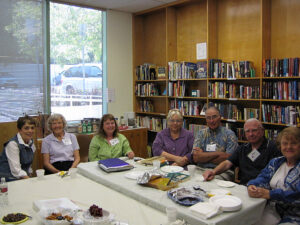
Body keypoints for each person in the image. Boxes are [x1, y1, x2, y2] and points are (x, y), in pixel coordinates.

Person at [202, 118, 280, 185]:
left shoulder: (272, 148)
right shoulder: (242, 148)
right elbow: (227, 163)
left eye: (254, 130)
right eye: (247, 131)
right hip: (244, 186)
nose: (251, 134)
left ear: (262, 131)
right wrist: (213, 172)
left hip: (263, 188)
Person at [247, 127, 300, 225]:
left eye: (293, 143)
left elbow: (297, 194)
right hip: (271, 209)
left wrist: (271, 194)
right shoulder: (276, 162)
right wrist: (252, 185)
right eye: (285, 143)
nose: (288, 147)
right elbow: (263, 177)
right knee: (246, 220)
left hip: (294, 216)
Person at [192, 106, 238, 180]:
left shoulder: (229, 134)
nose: (211, 121)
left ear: (220, 117)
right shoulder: (201, 133)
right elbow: (196, 158)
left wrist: (203, 156)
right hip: (200, 169)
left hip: (223, 171)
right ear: (206, 120)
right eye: (208, 118)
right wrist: (219, 154)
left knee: (211, 182)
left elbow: (229, 159)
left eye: (214, 117)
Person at [0, 116, 36, 181]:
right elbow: (16, 171)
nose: (30, 131)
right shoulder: (12, 144)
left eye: (32, 128)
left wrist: (29, 175)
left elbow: (29, 166)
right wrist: (30, 181)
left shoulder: (31, 143)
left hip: (22, 177)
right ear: (19, 130)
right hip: (8, 178)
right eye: (26, 128)